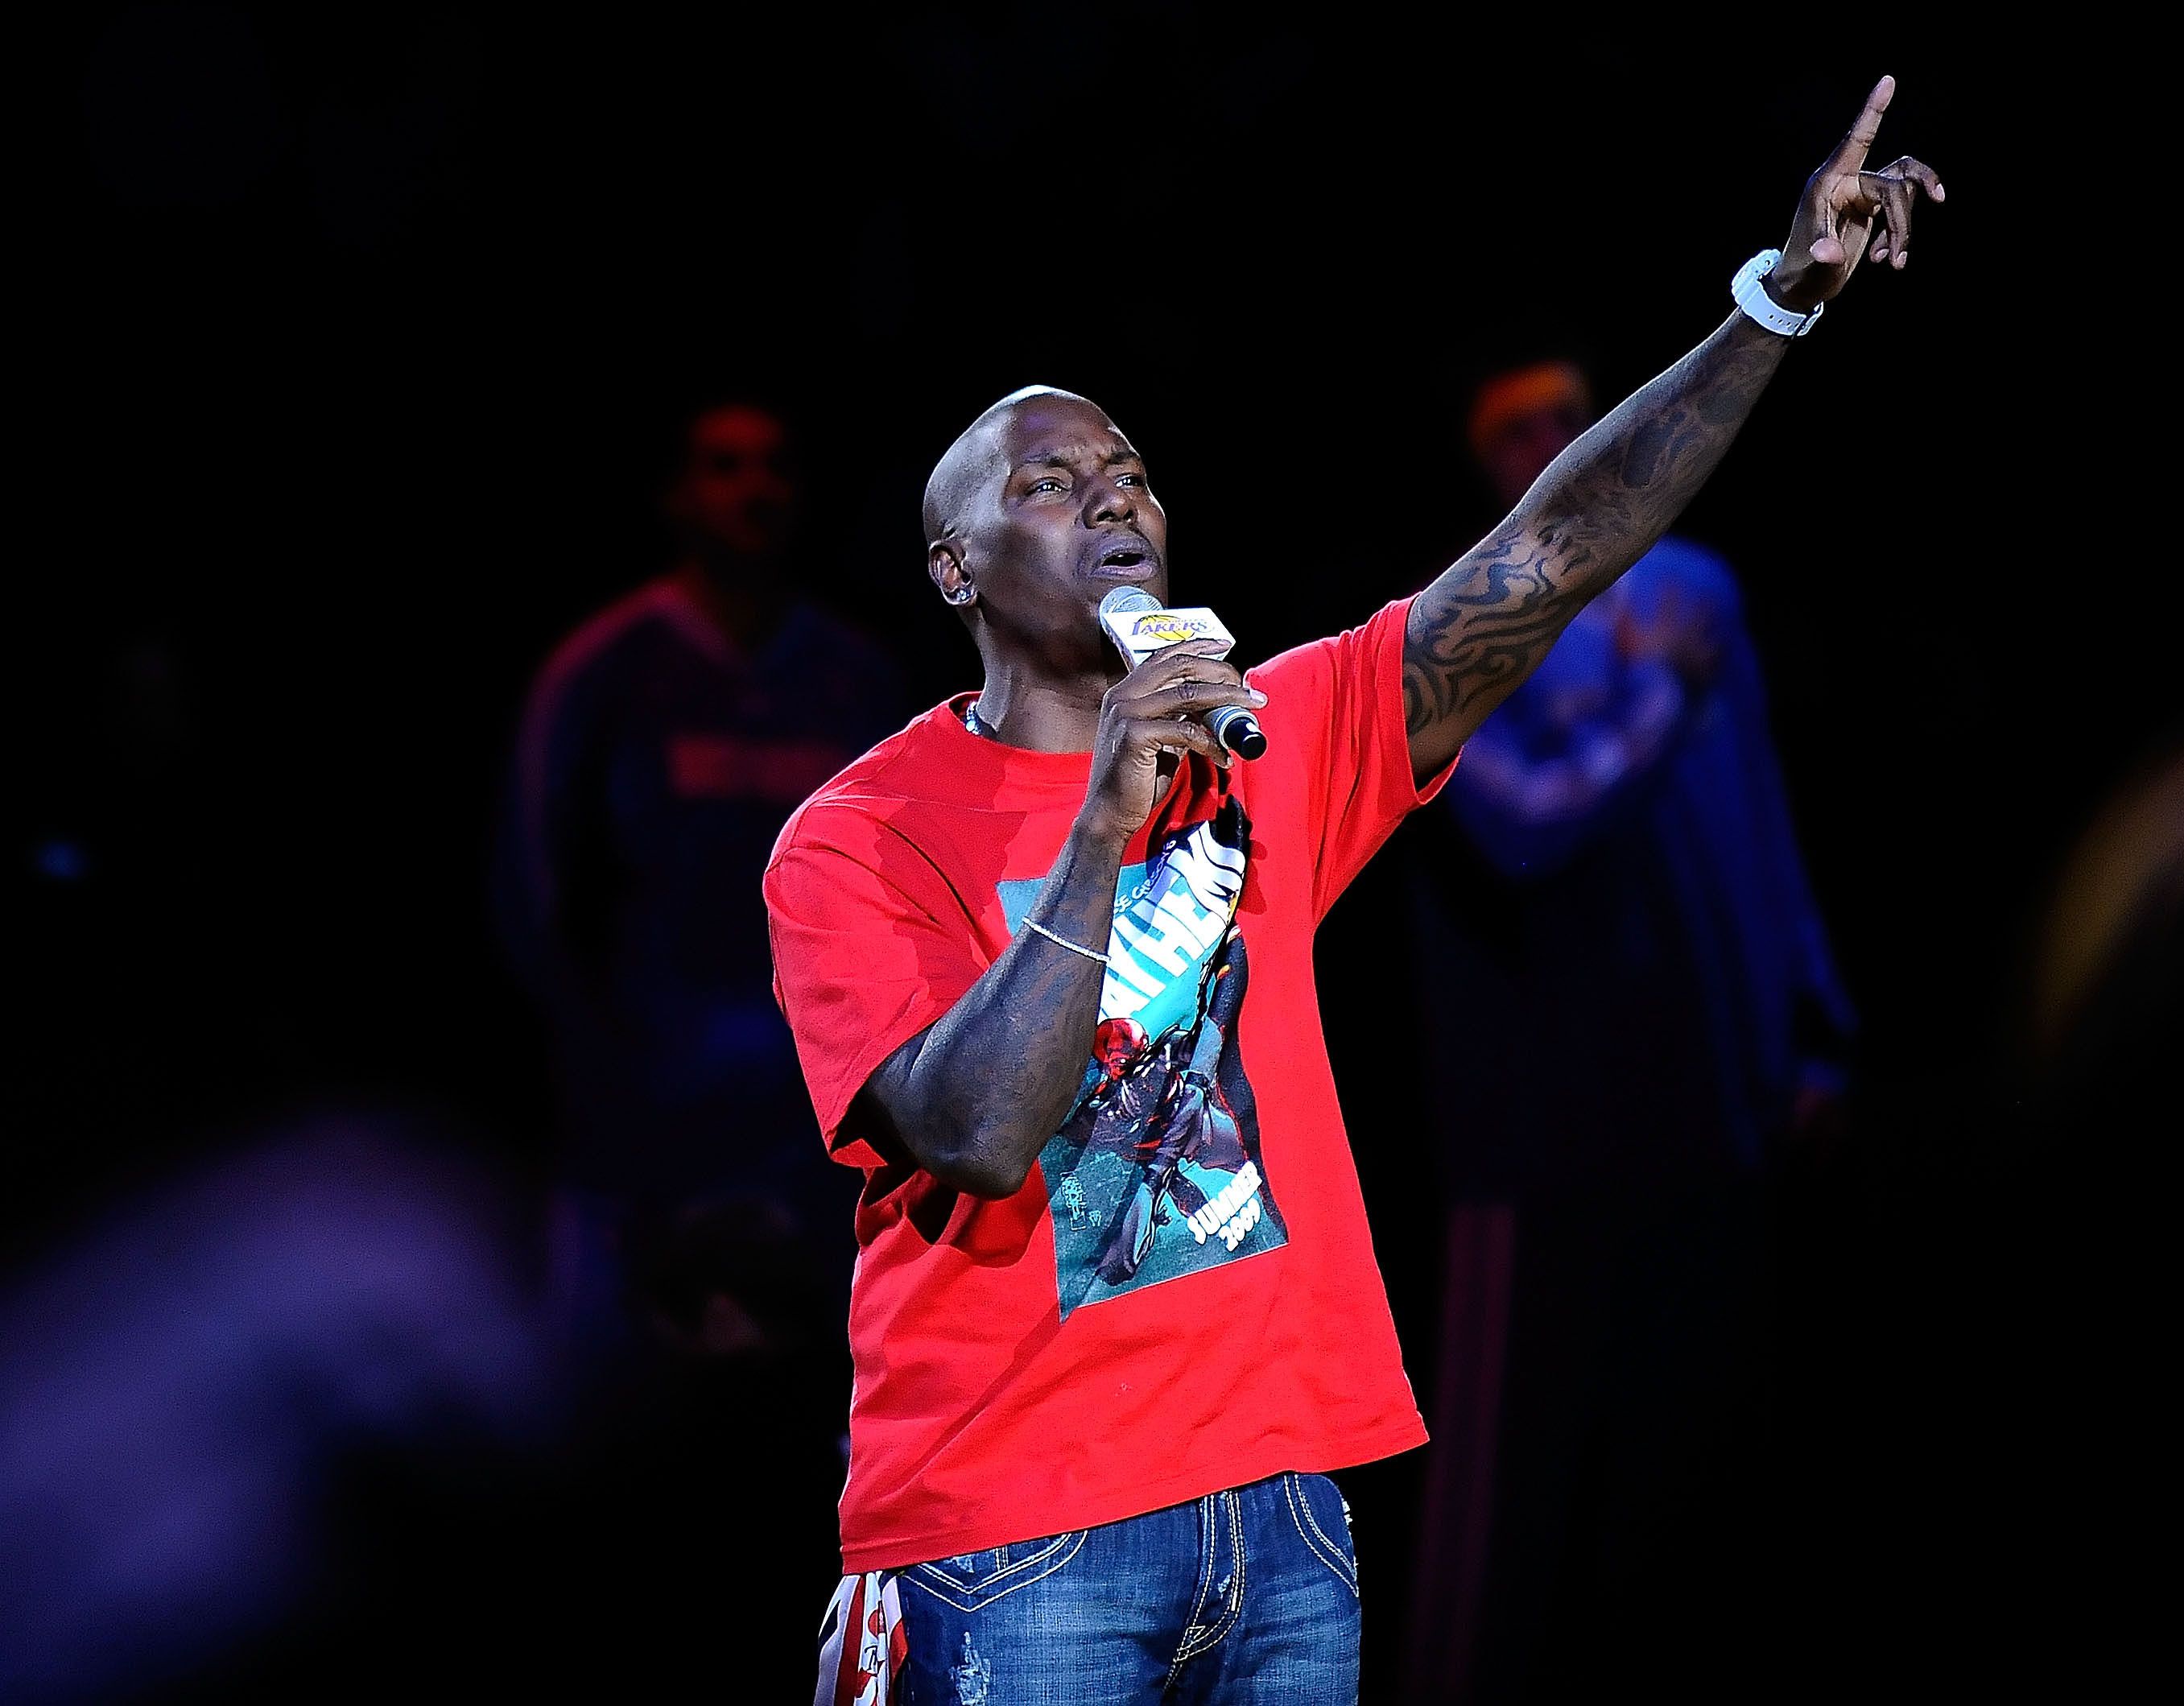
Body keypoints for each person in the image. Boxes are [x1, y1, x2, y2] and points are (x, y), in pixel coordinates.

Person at [766, 77, 1942, 1702]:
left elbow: (1548, 554)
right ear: (953, 568)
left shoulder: (1272, 733)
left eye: (1128, 470)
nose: (1113, 492)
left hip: (1287, 1517)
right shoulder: (860, 833)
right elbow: (968, 1131)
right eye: (1049, 480)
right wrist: (1106, 821)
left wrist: (1774, 304)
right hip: (1013, 1536)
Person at [1396, 360, 1860, 1699]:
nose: (1556, 440)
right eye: (1515, 427)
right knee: (1506, 1484)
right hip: (1541, 1136)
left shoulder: (1697, 589)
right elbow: (1523, 829)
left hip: (1710, 1110)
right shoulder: (1455, 623)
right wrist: (1651, 700)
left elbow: (1760, 825)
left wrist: (1815, 1027)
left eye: (1568, 411)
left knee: (1690, 1455)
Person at [492, 402, 908, 1424]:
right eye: (723, 467)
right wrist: (601, 1081)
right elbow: (537, 895)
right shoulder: (602, 675)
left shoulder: (857, 684)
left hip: (810, 1149)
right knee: (600, 1423)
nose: (753, 490)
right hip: (636, 1142)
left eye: (773, 467)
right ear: (678, 495)